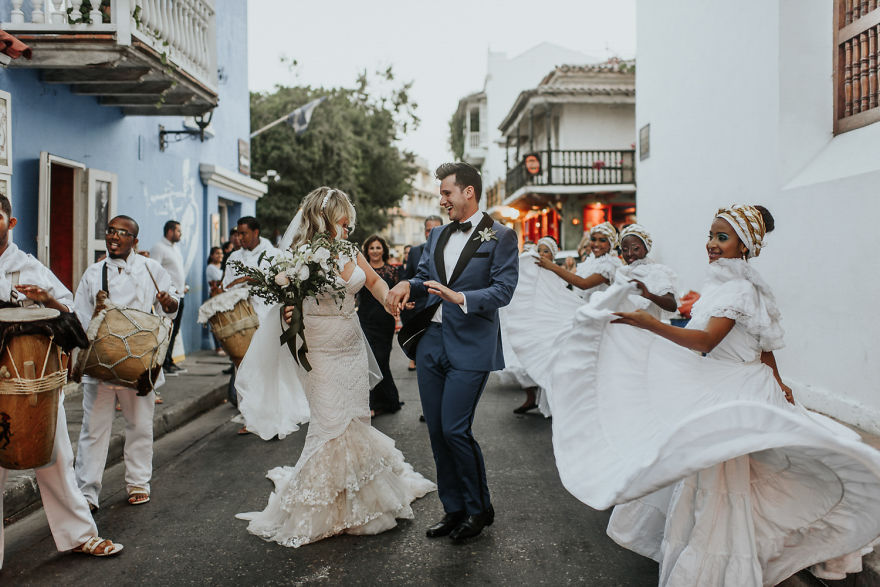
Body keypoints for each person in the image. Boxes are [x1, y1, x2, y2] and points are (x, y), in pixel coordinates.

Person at [547, 204, 880, 585]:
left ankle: (727, 566)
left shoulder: (740, 289)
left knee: (728, 481)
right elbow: (762, 344)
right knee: (732, 479)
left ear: (745, 245)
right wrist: (779, 380)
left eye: (722, 237)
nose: (711, 244)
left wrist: (650, 324)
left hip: (737, 390)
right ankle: (747, 550)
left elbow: (706, 341)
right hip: (734, 382)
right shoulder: (729, 286)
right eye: (711, 235)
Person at [236, 187, 435, 547]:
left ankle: (355, 503)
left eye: (349, 222)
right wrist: (287, 308)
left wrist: (392, 300)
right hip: (318, 348)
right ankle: (323, 509)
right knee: (330, 424)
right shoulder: (299, 254)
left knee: (357, 419)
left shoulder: (348, 250)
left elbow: (373, 281)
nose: (347, 228)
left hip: (350, 345)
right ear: (324, 219)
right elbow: (287, 298)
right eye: (343, 221)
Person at [385, 162, 519, 542]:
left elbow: (503, 290)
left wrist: (460, 297)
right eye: (441, 194)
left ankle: (479, 509)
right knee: (438, 433)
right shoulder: (439, 234)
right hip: (431, 342)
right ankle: (453, 508)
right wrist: (408, 287)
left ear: (468, 192)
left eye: (447, 193)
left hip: (473, 344)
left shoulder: (501, 236)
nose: (442, 200)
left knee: (456, 429)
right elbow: (424, 275)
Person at [0, 195, 123, 564]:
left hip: (30, 383)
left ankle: (80, 535)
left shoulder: (28, 267)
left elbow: (71, 318)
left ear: (11, 222)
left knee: (55, 457)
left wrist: (48, 300)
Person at [74, 215, 179, 509]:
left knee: (140, 425)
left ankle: (138, 482)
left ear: (134, 240)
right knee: (93, 429)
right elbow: (79, 317)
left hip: (138, 363)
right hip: (101, 363)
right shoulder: (93, 273)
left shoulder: (152, 269)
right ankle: (87, 492)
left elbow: (170, 309)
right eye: (110, 231)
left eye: (122, 233)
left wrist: (170, 303)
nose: (114, 236)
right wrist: (94, 314)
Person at [223, 217, 279, 416]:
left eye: (243, 233)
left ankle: (270, 412)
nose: (239, 237)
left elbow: (281, 285)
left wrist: (254, 279)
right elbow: (225, 287)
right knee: (244, 369)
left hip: (268, 319)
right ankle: (248, 416)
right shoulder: (233, 257)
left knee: (268, 368)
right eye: (238, 233)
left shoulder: (274, 254)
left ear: (256, 232)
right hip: (242, 321)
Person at [499, 236, 558, 415]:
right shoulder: (529, 272)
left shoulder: (556, 274)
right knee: (523, 361)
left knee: (547, 364)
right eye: (539, 250)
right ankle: (531, 397)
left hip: (548, 325)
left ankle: (549, 401)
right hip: (533, 324)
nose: (541, 254)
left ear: (553, 255)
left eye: (545, 251)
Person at [358, 235, 402, 417]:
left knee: (381, 360)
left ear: (383, 249)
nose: (375, 251)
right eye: (371, 248)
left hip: (384, 322)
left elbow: (397, 296)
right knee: (368, 362)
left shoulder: (392, 271)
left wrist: (400, 314)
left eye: (378, 248)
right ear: (366, 251)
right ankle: (373, 404)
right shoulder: (360, 271)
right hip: (365, 320)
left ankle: (389, 400)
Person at [536, 222, 621, 301]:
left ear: (610, 244)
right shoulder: (591, 260)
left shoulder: (610, 264)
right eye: (593, 239)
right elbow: (571, 277)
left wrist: (552, 266)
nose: (596, 244)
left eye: (602, 240)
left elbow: (584, 284)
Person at [401, 215, 443, 372]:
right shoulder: (414, 251)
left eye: (434, 230)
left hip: (441, 305)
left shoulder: (450, 251)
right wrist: (408, 297)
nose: (430, 233)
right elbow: (408, 277)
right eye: (427, 230)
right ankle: (417, 360)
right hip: (419, 306)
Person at [612, 223, 678, 319]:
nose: (629, 253)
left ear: (646, 249)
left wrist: (649, 295)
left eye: (635, 249)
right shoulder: (622, 272)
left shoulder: (656, 272)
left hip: (647, 330)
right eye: (625, 250)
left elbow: (672, 305)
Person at [150, 220, 188, 377]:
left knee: (174, 331)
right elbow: (155, 271)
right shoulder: (159, 248)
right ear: (170, 231)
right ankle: (163, 363)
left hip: (179, 296)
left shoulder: (175, 248)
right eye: (178, 231)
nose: (180, 234)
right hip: (167, 299)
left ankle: (169, 361)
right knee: (166, 331)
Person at [205, 246, 225, 355]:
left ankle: (223, 346)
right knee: (216, 324)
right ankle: (218, 347)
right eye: (217, 253)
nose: (220, 255)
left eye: (221, 253)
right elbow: (222, 279)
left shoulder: (221, 266)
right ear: (212, 255)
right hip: (214, 298)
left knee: (223, 323)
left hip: (222, 298)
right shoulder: (211, 267)